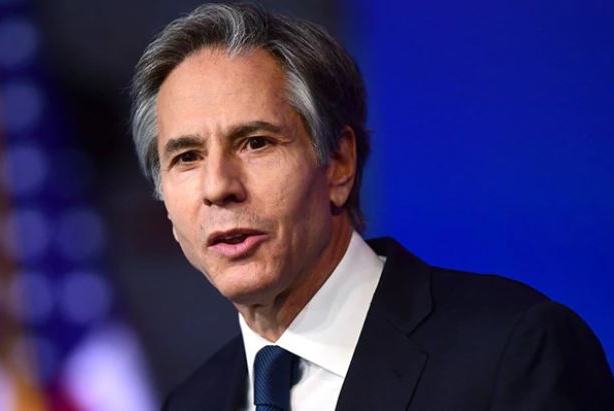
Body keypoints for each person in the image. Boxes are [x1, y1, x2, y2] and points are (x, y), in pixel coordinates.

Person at [130, 3, 613, 410]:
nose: (218, 187)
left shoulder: (515, 351)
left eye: (256, 142)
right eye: (186, 157)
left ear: (339, 163)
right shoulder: (191, 402)